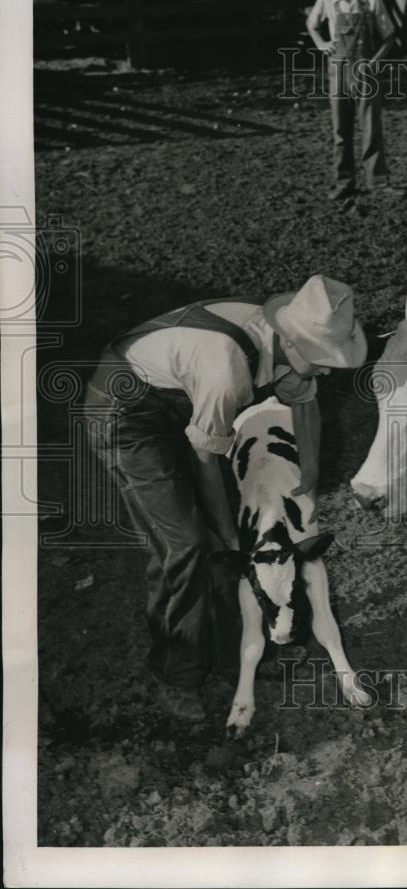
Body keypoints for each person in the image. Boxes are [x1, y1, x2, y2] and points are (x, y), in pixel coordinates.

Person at [84, 275, 367, 721]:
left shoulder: (283, 344)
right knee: (188, 543)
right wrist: (229, 534)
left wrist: (310, 470)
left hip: (181, 401)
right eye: (324, 359)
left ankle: (233, 653)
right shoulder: (227, 364)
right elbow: (203, 456)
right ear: (293, 345)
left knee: (230, 542)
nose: (329, 369)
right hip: (127, 414)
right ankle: (177, 673)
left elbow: (304, 400)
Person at [306, 0, 396, 200]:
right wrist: (322, 44)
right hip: (338, 69)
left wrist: (375, 62)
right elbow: (312, 24)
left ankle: (377, 183)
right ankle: (344, 182)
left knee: (371, 127)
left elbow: (389, 36)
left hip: (366, 71)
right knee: (340, 130)